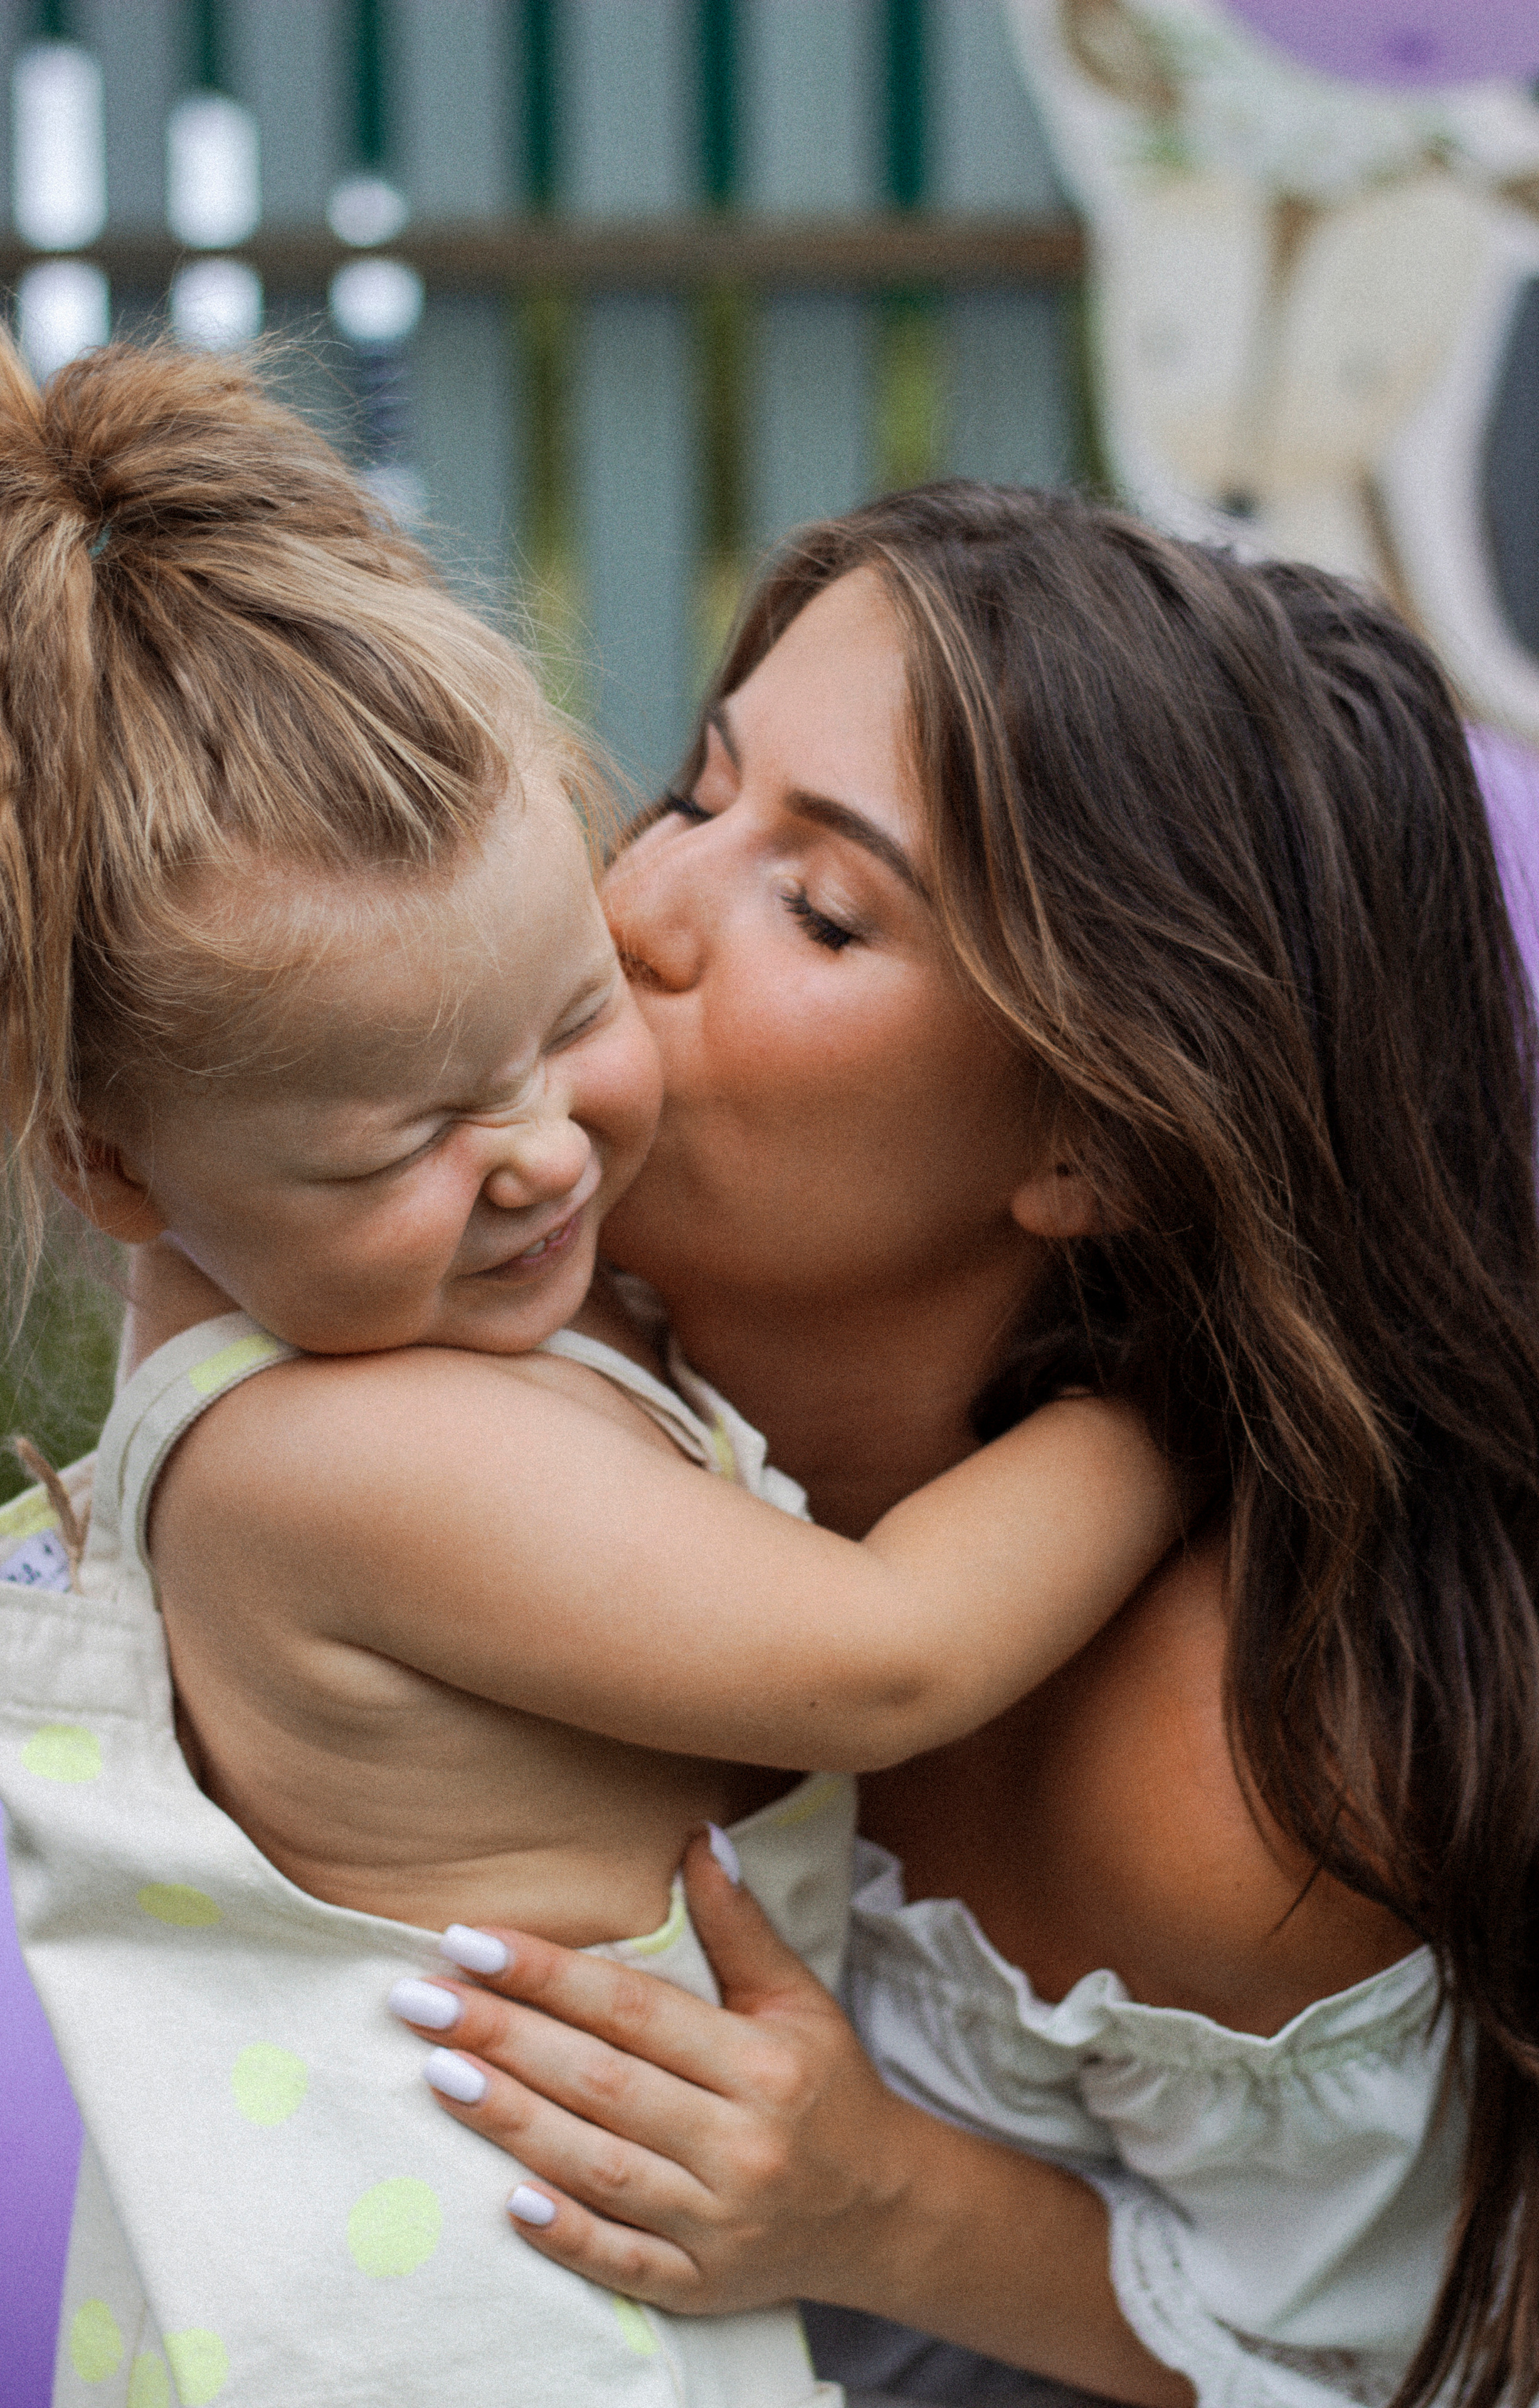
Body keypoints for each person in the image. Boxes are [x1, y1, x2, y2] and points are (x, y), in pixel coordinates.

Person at [0, 341, 1187, 2408]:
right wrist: (1194, 1398)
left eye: (569, 1018)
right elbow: (888, 1658)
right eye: (408, 1140)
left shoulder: (331, 1256)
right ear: (122, 1174)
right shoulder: (335, 1454)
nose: (546, 1152)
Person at [373, 487, 1539, 2408]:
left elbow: (1438, 2380)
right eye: (700, 797)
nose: (631, 918)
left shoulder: (1226, 1778)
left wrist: (881, 2206)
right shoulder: (529, 1342)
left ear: (1093, 1145)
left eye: (824, 908)